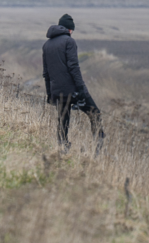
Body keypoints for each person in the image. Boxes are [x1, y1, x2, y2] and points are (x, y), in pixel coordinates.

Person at [42, 13, 105, 152]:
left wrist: (49, 94)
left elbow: (46, 73)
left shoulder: (46, 45)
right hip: (72, 89)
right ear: (69, 29)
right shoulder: (69, 42)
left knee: (63, 120)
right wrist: (81, 89)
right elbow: (73, 67)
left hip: (56, 90)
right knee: (95, 113)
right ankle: (98, 148)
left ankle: (63, 147)